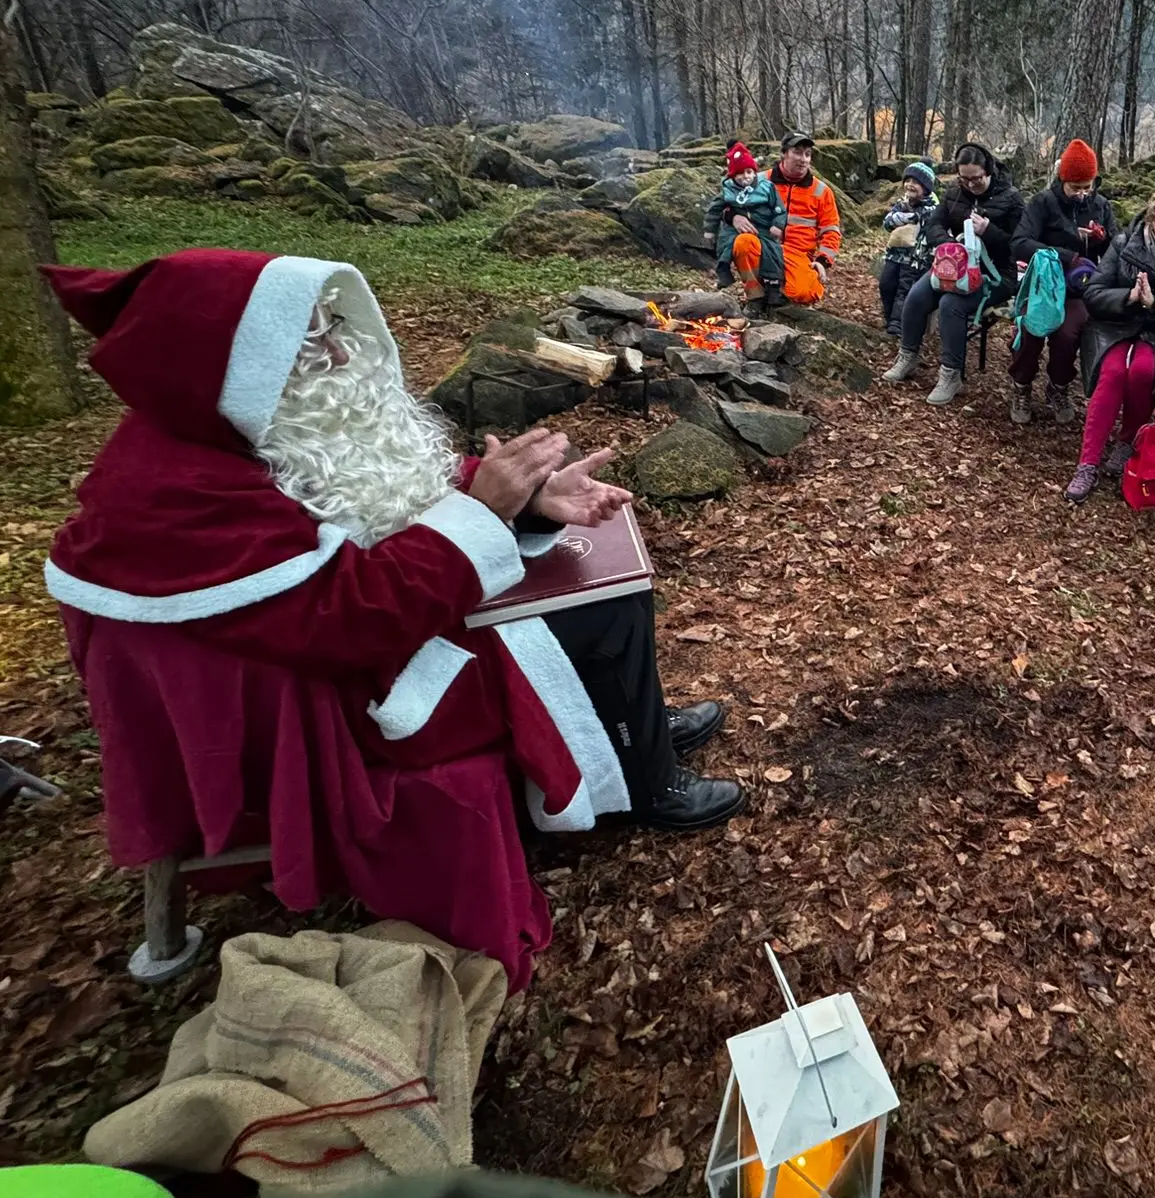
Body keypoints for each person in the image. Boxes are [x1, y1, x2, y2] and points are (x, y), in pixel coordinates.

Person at [39, 251, 746, 990]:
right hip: (344, 701)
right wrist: (484, 513)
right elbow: (348, 620)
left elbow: (381, 488)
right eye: (312, 341)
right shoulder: (180, 494)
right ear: (231, 364)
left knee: (605, 577)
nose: (343, 354)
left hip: (358, 647)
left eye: (332, 328)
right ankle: (647, 779)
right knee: (599, 607)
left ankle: (639, 727)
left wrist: (533, 503)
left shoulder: (242, 431)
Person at [1064, 184, 1155, 502]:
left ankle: (1127, 442)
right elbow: (1094, 292)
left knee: (1143, 370)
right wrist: (1129, 297)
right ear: (1152, 217)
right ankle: (1088, 462)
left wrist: (1154, 304)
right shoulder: (1123, 244)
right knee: (1113, 372)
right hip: (1115, 326)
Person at [883, 141, 1025, 407]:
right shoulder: (954, 192)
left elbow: (1020, 243)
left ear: (988, 171)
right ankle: (908, 355)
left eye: (976, 179)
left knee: (952, 304)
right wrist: (948, 244)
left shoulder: (1011, 198)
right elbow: (934, 224)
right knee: (916, 296)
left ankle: (951, 374)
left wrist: (989, 231)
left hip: (996, 274)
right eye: (964, 179)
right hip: (954, 267)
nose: (971, 184)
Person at [1008, 138, 1115, 426]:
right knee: (1032, 328)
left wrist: (1101, 239)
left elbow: (1115, 249)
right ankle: (1021, 385)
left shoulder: (1101, 205)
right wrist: (1066, 254)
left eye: (1087, 187)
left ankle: (1058, 385)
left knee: (1068, 333)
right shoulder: (1043, 202)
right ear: (1062, 180)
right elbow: (1020, 243)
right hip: (1042, 284)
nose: (1082, 194)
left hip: (1078, 288)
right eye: (1075, 187)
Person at [703, 142, 787, 313]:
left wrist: (778, 225)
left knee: (772, 254)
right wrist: (709, 230)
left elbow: (779, 209)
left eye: (749, 172)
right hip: (736, 232)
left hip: (764, 229)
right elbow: (715, 210)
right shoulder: (728, 190)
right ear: (733, 175)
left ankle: (773, 289)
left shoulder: (766, 187)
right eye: (740, 173)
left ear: (754, 172)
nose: (745, 177)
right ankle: (754, 295)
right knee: (735, 247)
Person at [768, 132, 843, 306]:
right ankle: (756, 295)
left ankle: (782, 286)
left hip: (799, 255)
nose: (803, 159)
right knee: (744, 243)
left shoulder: (821, 191)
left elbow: (831, 231)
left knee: (805, 293)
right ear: (784, 153)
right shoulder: (761, 181)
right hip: (766, 248)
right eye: (797, 152)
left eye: (807, 154)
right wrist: (734, 216)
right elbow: (731, 202)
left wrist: (822, 261)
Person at [878, 160, 938, 336]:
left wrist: (907, 216)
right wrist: (903, 217)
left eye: (916, 182)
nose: (910, 185)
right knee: (886, 284)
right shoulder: (901, 203)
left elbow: (925, 218)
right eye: (908, 181)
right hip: (895, 255)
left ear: (925, 188)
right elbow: (887, 223)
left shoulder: (931, 208)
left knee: (904, 289)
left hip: (916, 259)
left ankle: (898, 323)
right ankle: (889, 317)